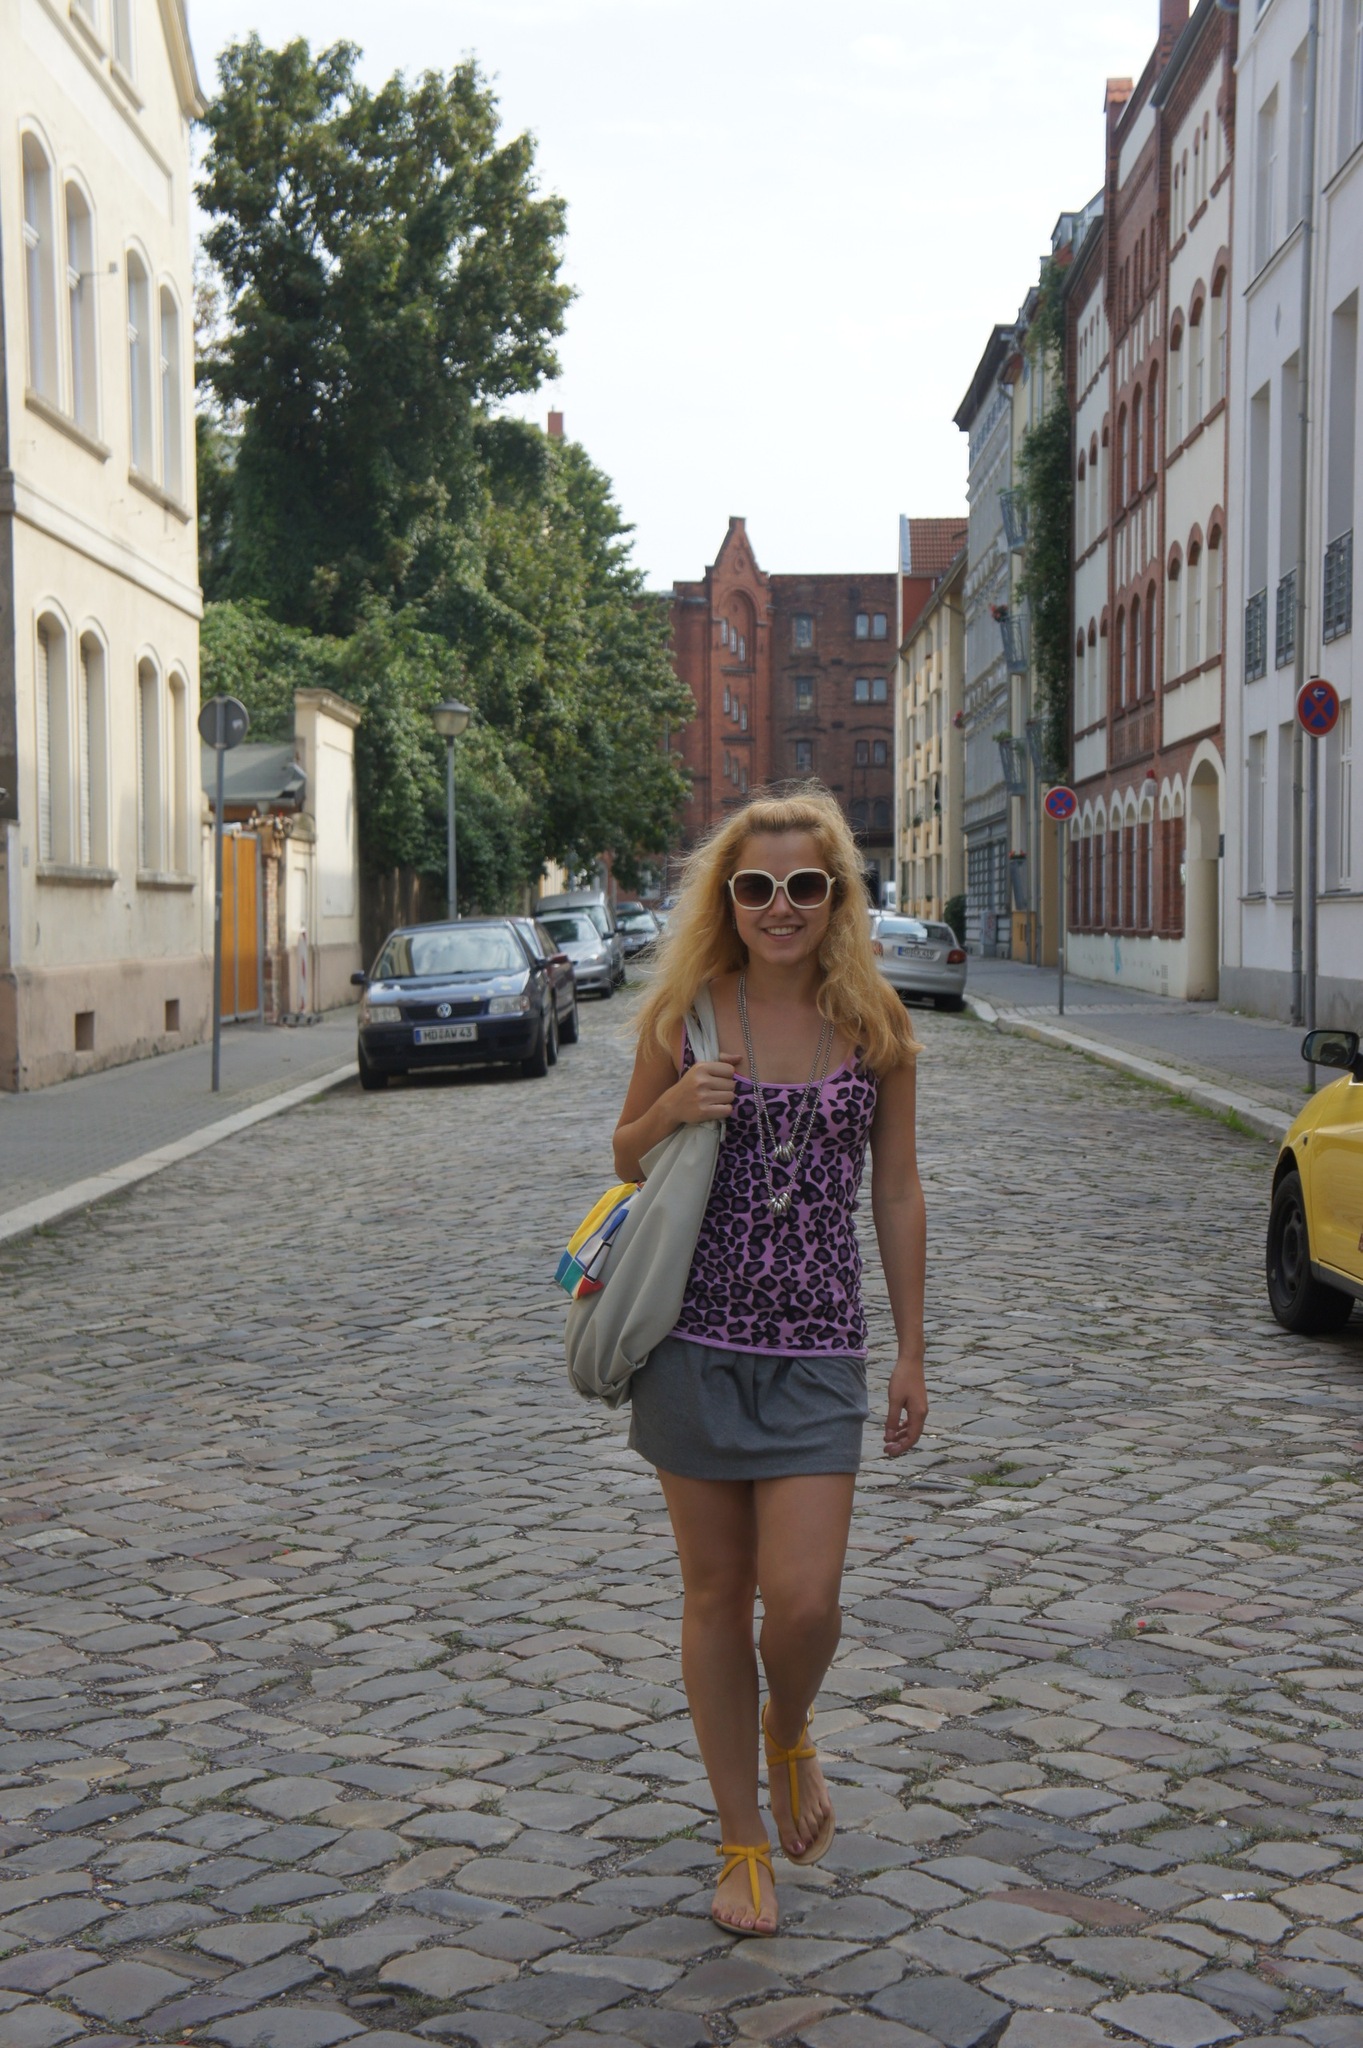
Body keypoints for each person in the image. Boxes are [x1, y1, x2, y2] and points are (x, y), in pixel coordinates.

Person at [612, 787, 928, 1937]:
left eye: (804, 885)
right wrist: (671, 1109)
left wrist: (911, 1347)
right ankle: (740, 1838)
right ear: (728, 899)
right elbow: (626, 1152)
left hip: (818, 1349)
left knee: (803, 1602)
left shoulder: (876, 1023)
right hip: (691, 1341)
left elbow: (896, 1188)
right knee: (714, 1592)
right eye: (756, 886)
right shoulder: (686, 1014)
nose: (779, 905)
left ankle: (786, 1723)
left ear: (836, 896)